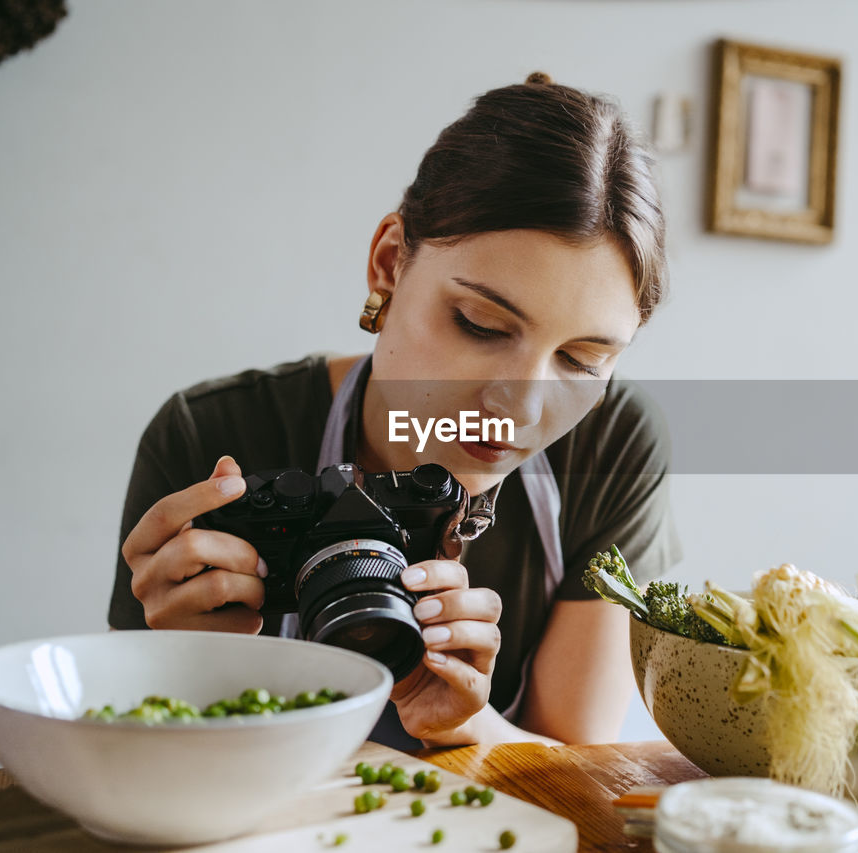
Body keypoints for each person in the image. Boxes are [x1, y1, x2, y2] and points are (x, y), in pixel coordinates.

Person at [109, 72, 680, 748]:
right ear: (388, 262)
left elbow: (574, 764)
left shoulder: (612, 448)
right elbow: (136, 751)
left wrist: (469, 723)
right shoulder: (207, 435)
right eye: (479, 325)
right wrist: (175, 663)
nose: (522, 404)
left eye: (582, 361)